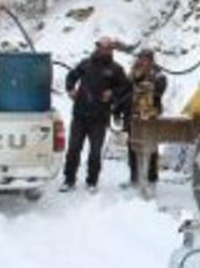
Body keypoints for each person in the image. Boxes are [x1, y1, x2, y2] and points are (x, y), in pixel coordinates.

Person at [61, 37, 131, 192]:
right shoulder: (85, 64)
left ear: (112, 50)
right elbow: (71, 76)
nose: (106, 50)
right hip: (80, 114)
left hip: (100, 117)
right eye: (103, 47)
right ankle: (68, 179)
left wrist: (112, 94)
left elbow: (126, 89)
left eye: (109, 48)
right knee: (73, 148)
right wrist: (70, 89)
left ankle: (92, 181)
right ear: (98, 48)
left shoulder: (116, 69)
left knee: (95, 151)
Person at [119, 48, 166, 192]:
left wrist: (147, 81)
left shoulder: (158, 74)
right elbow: (125, 89)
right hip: (133, 115)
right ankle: (134, 177)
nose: (143, 62)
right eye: (141, 58)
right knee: (132, 146)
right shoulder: (133, 72)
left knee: (151, 146)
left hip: (151, 115)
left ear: (151, 60)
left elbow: (160, 89)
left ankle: (152, 178)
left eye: (146, 59)